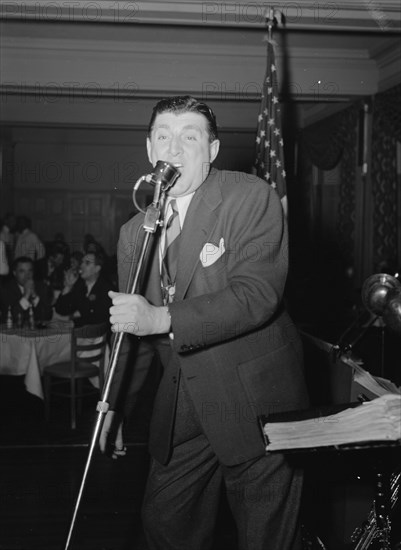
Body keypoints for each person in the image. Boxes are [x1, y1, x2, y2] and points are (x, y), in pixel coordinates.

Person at [99, 96, 309, 550]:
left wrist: (161, 317)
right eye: (163, 137)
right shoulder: (134, 232)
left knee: (265, 536)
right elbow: (132, 329)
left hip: (258, 403)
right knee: (164, 522)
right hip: (185, 402)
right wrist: (115, 403)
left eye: (189, 137)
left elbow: (257, 295)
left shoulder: (248, 195)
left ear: (211, 150)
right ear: (149, 147)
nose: (172, 149)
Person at [54, 250, 112, 326]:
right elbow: (61, 310)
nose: (81, 266)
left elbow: (100, 317)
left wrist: (73, 322)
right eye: (82, 262)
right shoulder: (80, 285)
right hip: (78, 333)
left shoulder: (106, 288)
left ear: (97, 269)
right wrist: (68, 287)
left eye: (87, 263)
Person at [0, 256, 53, 326]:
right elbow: (11, 317)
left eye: (30, 271)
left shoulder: (41, 287)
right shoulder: (5, 289)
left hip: (37, 332)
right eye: (22, 271)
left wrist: (34, 295)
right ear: (14, 273)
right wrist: (26, 296)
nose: (27, 276)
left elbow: (48, 316)